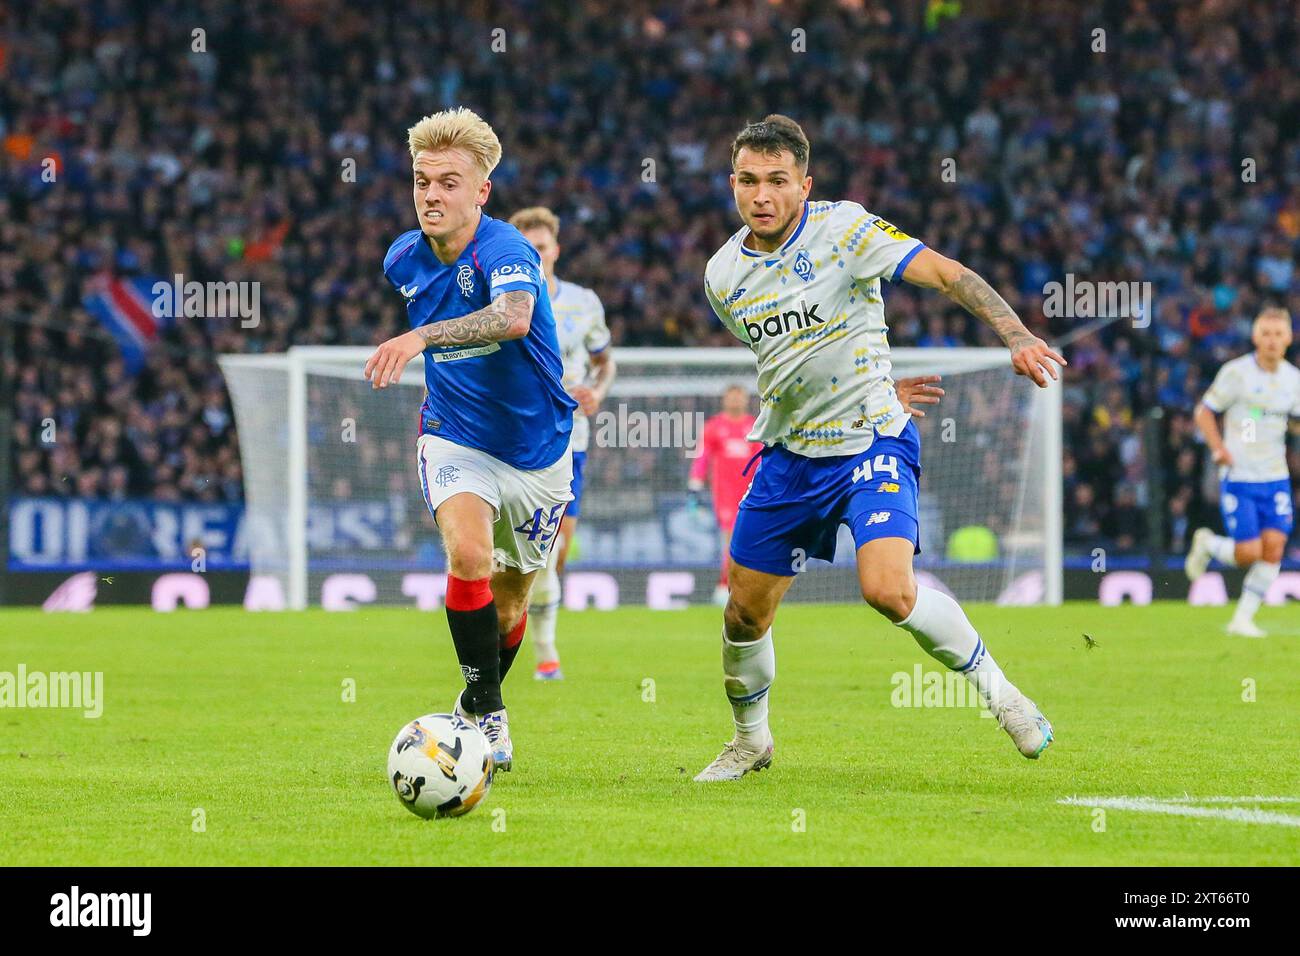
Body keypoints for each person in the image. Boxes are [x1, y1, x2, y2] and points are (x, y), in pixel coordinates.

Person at [694, 115, 1066, 781]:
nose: (762, 195)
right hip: (790, 456)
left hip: (872, 441)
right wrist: (873, 372)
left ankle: (1004, 697)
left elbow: (949, 275)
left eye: (778, 181)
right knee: (744, 613)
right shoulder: (723, 275)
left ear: (804, 185)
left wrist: (1013, 334)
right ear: (732, 184)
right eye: (748, 181)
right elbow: (790, 359)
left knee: (887, 590)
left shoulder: (847, 231)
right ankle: (751, 740)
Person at [364, 108, 577, 770]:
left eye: (449, 182)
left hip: (540, 451)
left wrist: (423, 336)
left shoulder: (509, 250)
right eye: (422, 181)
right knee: (469, 556)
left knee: (513, 602)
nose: (432, 195)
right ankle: (489, 718)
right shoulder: (402, 257)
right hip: (453, 436)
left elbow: (513, 320)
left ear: (481, 191)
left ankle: (473, 705)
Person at [510, 206, 616, 680]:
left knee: (554, 552)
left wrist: (597, 390)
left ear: (556, 250)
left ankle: (544, 647)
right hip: (512, 435)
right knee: (516, 550)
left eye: (542, 247)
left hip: (569, 437)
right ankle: (535, 649)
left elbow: (604, 362)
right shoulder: (499, 300)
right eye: (526, 248)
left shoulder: (582, 302)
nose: (536, 255)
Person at [1184, 307, 1299, 637]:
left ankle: (1242, 620)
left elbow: (1294, 421)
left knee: (1274, 549)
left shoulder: (1293, 380)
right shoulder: (1236, 373)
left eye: (1279, 334)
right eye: (1266, 334)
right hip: (1240, 476)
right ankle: (1207, 544)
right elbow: (1204, 412)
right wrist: (1218, 448)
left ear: (1289, 338)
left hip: (1275, 476)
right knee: (1250, 554)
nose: (1273, 341)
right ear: (1255, 337)